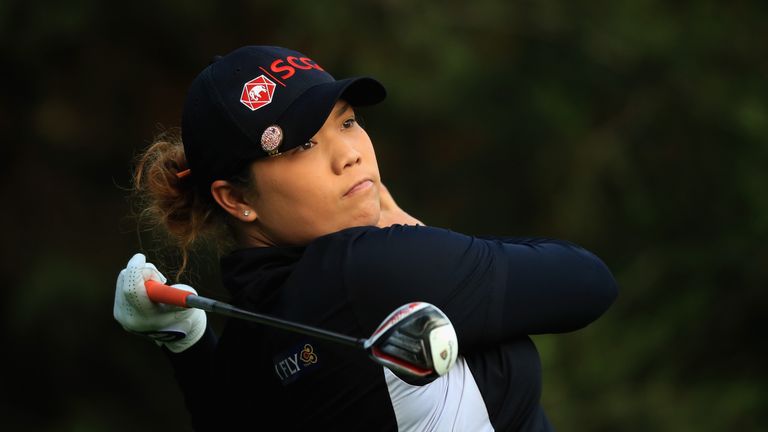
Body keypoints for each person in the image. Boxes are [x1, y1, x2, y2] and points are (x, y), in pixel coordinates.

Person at [113, 45, 618, 431]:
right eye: (304, 144)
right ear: (235, 199)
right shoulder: (366, 268)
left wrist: (186, 341)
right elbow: (589, 281)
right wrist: (399, 222)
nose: (349, 155)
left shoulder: (254, 335)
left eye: (348, 123)